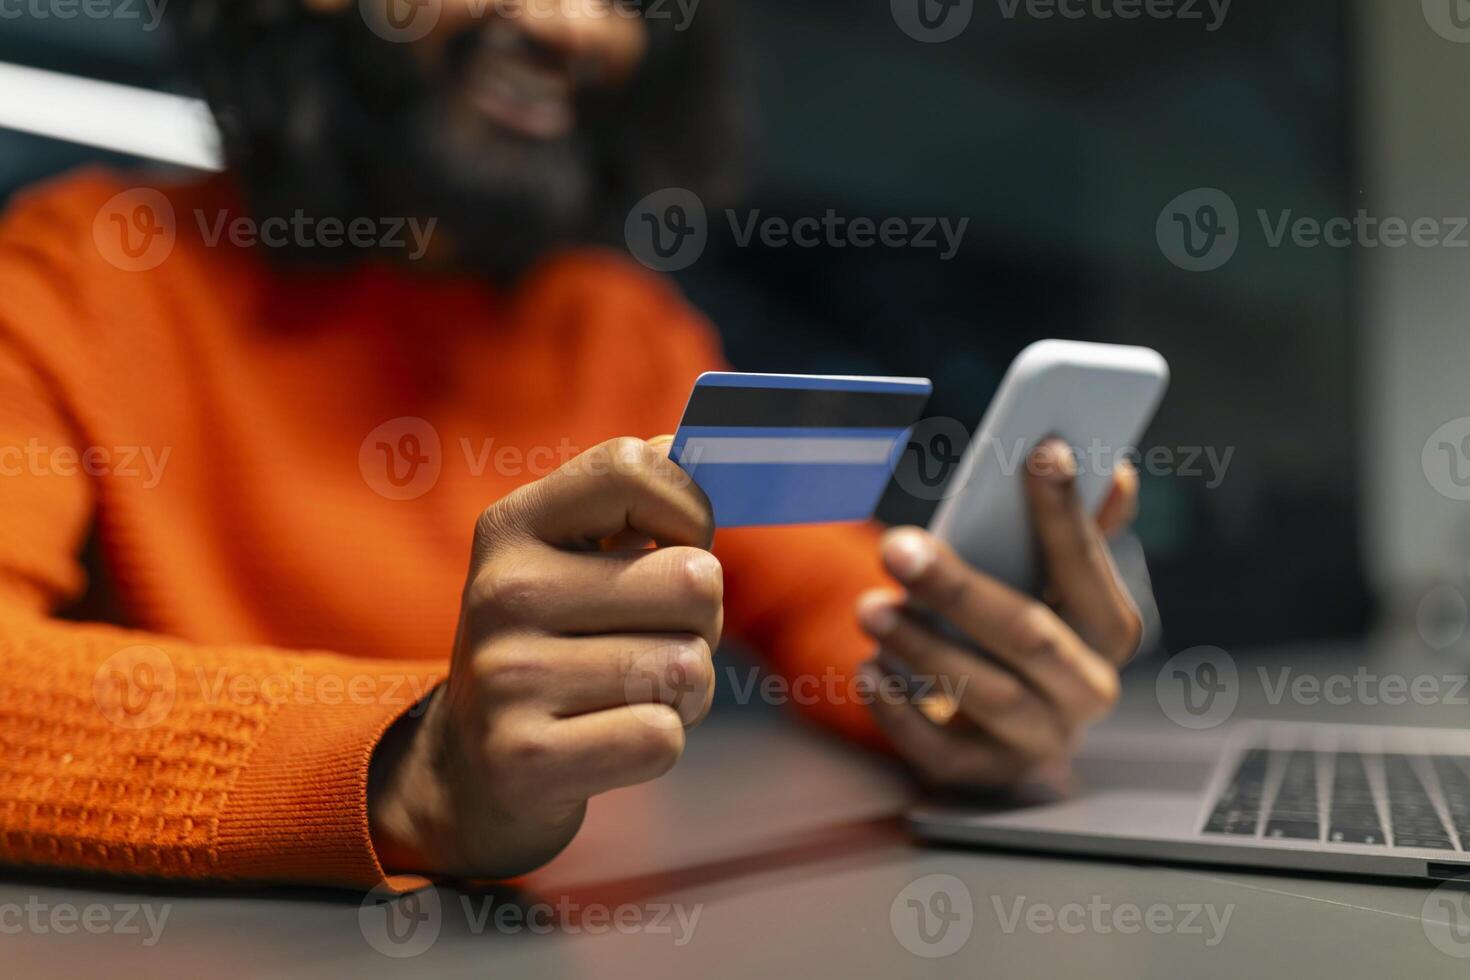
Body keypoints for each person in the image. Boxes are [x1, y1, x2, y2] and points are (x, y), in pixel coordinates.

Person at [0, 0, 1142, 888]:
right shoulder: (80, 275)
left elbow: (820, 588)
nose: (575, 27)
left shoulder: (623, 329)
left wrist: (961, 684)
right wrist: (418, 766)